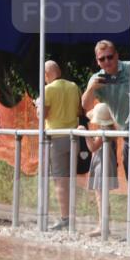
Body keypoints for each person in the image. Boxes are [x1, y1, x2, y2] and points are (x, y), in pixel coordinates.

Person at [81, 40, 130, 243]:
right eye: (102, 59)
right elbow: (84, 105)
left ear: (117, 55)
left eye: (110, 56)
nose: (107, 61)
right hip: (127, 134)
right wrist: (91, 88)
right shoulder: (97, 78)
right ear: (97, 61)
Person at [41, 61, 82, 230]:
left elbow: (43, 115)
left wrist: (38, 106)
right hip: (74, 137)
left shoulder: (48, 90)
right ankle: (72, 215)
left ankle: (66, 218)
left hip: (56, 138)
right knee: (72, 178)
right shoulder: (74, 86)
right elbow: (80, 110)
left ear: (46, 74)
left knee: (60, 180)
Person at [85, 103, 120, 237]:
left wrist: (85, 134)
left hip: (102, 165)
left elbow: (93, 147)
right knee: (102, 196)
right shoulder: (112, 130)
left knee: (100, 197)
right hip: (105, 163)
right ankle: (103, 225)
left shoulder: (103, 131)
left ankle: (102, 226)